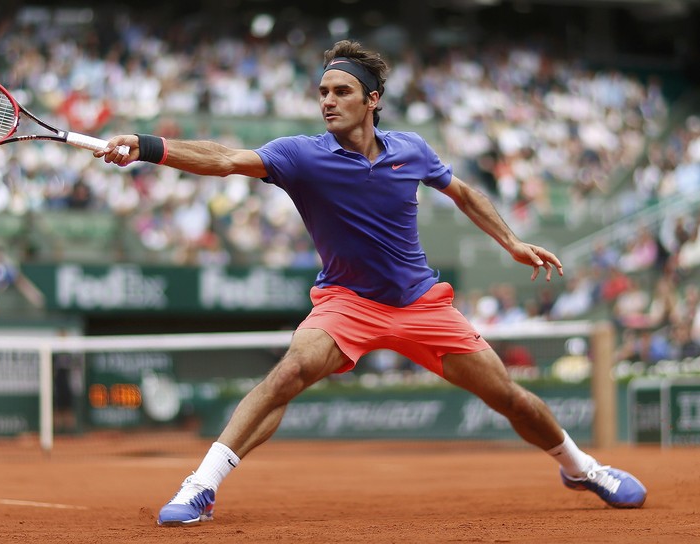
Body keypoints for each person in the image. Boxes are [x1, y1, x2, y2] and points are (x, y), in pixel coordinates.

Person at [94, 40, 647, 526]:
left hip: (420, 303)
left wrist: (510, 241)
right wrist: (146, 147)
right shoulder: (299, 155)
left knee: (507, 395)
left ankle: (583, 469)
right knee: (290, 370)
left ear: (371, 100)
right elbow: (221, 159)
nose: (327, 100)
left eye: (340, 91)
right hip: (346, 303)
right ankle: (202, 486)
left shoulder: (411, 150)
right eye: (322, 91)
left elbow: (463, 193)